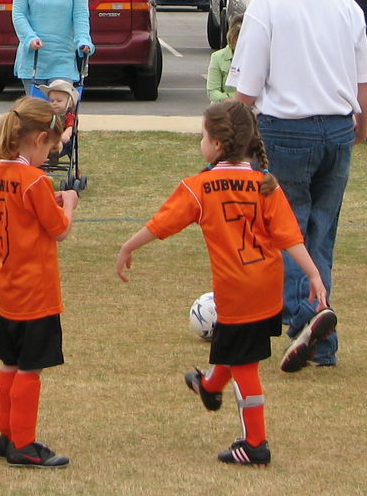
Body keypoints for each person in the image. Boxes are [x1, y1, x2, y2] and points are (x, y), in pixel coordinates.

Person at [115, 100, 329, 467]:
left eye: (202, 135)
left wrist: (128, 245)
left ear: (217, 144)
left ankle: (255, 444)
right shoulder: (265, 184)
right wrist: (312, 273)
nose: (201, 141)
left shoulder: (200, 186)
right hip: (267, 285)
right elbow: (289, 236)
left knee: (245, 368)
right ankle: (210, 387)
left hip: (237, 291)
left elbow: (162, 223)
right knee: (238, 351)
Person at [227, 0, 367, 370]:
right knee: (321, 235)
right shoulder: (344, 3)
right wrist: (365, 124)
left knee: (286, 233)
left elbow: (246, 89)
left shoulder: (267, 4)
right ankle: (321, 338)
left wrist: (232, 137)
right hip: (337, 127)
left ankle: (305, 320)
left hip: (285, 129)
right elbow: (364, 80)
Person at [0, 96, 78, 468]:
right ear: (38, 139)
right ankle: (24, 442)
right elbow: (59, 229)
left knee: (10, 362)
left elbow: (17, 211)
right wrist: (67, 201)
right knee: (30, 368)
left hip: (9, 285)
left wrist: (47, 199)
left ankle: (6, 433)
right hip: (37, 288)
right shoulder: (34, 178)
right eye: (51, 148)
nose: (50, 156)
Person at [206, 13, 243, 103]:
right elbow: (212, 91)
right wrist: (230, 102)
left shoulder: (256, 58)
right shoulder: (217, 57)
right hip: (224, 109)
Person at [42, 78, 77, 158]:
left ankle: (53, 156)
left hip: (63, 139)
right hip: (48, 138)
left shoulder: (69, 115)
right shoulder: (48, 114)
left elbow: (70, 127)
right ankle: (41, 157)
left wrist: (66, 134)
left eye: (59, 101)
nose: (54, 103)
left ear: (69, 103)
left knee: (58, 143)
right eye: (52, 101)